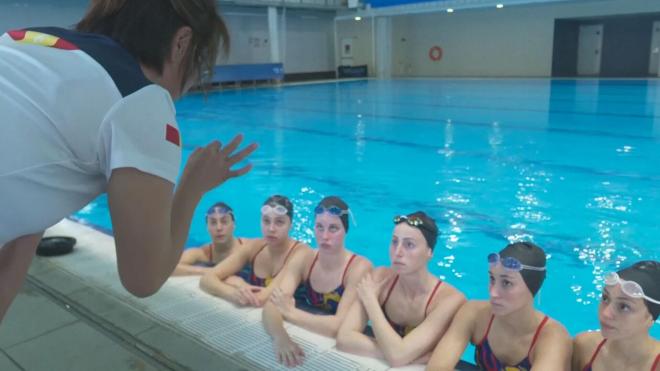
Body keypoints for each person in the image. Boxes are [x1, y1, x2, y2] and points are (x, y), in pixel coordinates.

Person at [0, 0, 257, 324]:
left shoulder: (26, 41)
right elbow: (143, 278)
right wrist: (193, 185)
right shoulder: (140, 101)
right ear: (182, 43)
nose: (191, 84)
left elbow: (25, 225)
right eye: (200, 67)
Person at [336, 211, 466, 367]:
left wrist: (371, 302)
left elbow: (397, 357)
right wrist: (408, 356)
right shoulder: (379, 278)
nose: (398, 252)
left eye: (409, 244)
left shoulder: (448, 300)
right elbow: (344, 338)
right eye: (394, 242)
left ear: (429, 252)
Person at [427, 242, 572, 371]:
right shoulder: (475, 313)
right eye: (492, 279)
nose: (493, 292)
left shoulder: (553, 337)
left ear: (533, 288)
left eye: (506, 283)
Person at [262, 196, 372, 367]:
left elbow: (340, 327)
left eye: (333, 228)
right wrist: (280, 337)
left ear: (346, 230)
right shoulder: (305, 258)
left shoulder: (358, 268)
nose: (324, 236)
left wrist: (290, 313)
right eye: (319, 227)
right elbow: (271, 306)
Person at [200, 195, 310, 307]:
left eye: (279, 222)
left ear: (290, 225)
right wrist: (232, 293)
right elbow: (207, 279)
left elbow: (263, 298)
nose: (271, 228)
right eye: (266, 221)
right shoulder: (254, 247)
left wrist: (232, 282)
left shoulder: (300, 253)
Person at [572, 260, 659, 371]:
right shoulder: (585, 347)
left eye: (624, 306)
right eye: (605, 298)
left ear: (650, 318)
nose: (606, 313)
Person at [172, 202, 245, 276]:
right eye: (213, 223)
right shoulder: (203, 253)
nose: (219, 228)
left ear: (233, 225)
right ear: (207, 228)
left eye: (224, 222)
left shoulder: (247, 248)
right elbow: (171, 268)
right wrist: (214, 272)